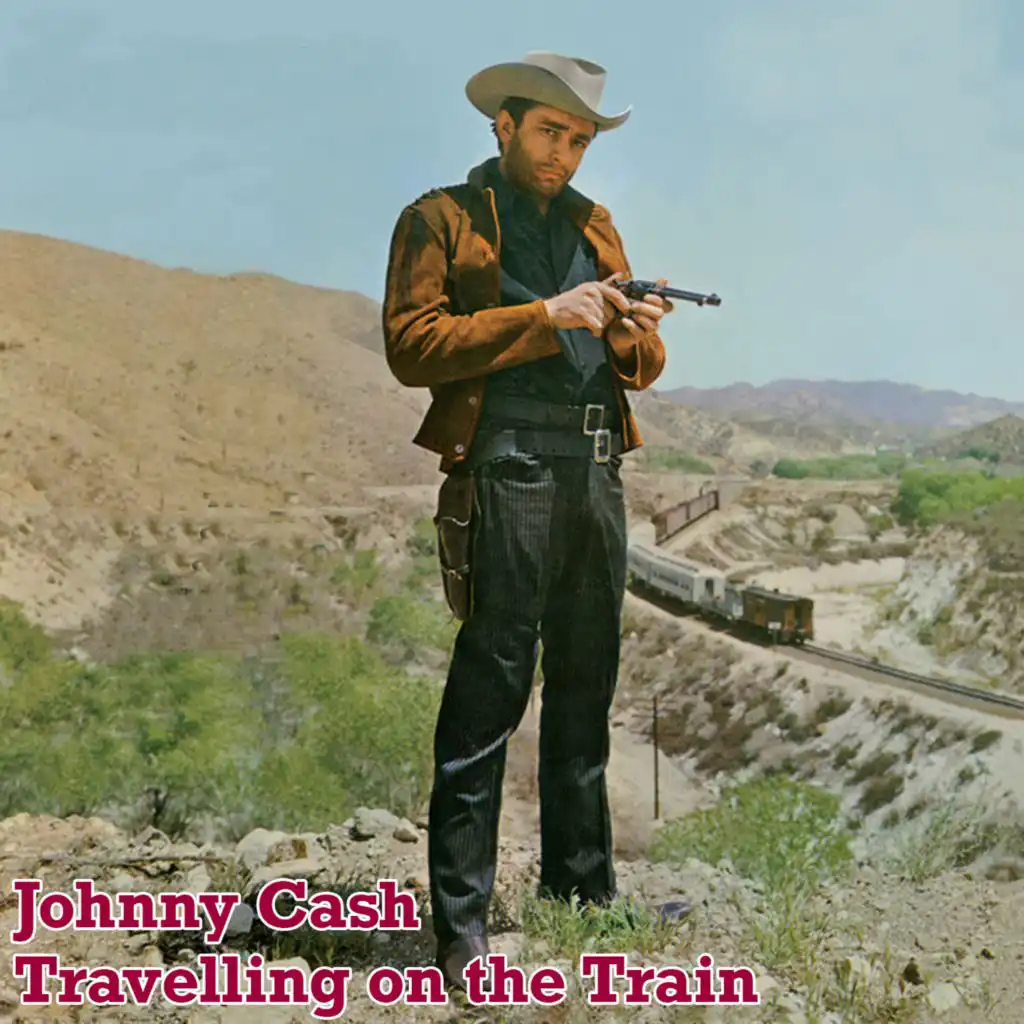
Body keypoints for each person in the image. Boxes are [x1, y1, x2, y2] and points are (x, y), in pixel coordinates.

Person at [381, 51, 690, 991]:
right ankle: (461, 927)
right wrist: (545, 314)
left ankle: (581, 895)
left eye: (581, 140)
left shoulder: (595, 225)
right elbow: (412, 345)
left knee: (587, 685)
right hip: (507, 465)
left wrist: (634, 325)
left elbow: (641, 359)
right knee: (492, 688)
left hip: (595, 469)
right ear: (504, 126)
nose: (566, 153)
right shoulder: (440, 218)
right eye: (551, 132)